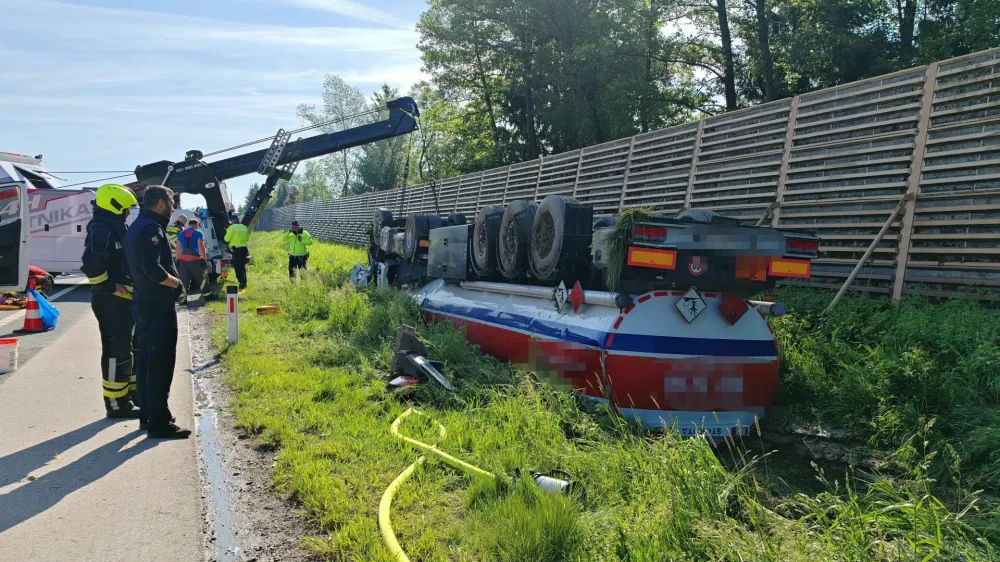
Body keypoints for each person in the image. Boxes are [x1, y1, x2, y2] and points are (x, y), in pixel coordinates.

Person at [124, 185, 190, 439]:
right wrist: (177, 282)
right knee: (161, 363)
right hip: (156, 306)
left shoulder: (135, 227)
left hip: (143, 303)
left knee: (145, 362)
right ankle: (160, 423)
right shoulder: (151, 229)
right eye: (172, 203)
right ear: (161, 203)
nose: (173, 208)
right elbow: (153, 269)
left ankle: (149, 415)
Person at [80, 183, 141, 420]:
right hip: (110, 301)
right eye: (125, 209)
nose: (128, 213)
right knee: (117, 351)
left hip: (123, 301)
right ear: (114, 206)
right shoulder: (102, 229)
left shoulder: (114, 226)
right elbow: (91, 264)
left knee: (130, 348)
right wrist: (110, 287)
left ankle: (133, 395)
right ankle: (116, 404)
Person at [175, 217, 208, 304]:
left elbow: (178, 246)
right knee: (202, 277)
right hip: (195, 259)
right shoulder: (198, 232)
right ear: (196, 225)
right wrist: (203, 256)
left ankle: (182, 299)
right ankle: (208, 296)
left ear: (189, 224)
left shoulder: (181, 233)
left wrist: (177, 258)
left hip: (183, 259)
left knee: (184, 279)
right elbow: (200, 244)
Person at [224, 215, 250, 291]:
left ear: (232, 221)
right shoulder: (244, 227)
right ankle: (244, 282)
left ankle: (241, 283)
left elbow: (226, 239)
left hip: (236, 250)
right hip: (244, 249)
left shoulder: (231, 228)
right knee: (242, 267)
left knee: (238, 268)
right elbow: (247, 238)